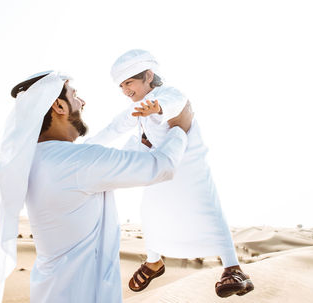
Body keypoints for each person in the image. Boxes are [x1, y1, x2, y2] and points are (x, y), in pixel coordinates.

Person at [0, 70, 194, 303]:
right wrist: (179, 127)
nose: (82, 102)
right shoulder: (74, 161)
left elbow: (102, 170)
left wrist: (144, 142)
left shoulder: (40, 160)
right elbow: (163, 166)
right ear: (59, 106)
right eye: (74, 95)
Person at [85, 49, 254, 298]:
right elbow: (114, 128)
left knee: (209, 211)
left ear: (148, 76)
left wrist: (158, 108)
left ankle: (233, 269)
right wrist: (82, 149)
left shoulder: (166, 95)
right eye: (121, 86)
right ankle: (154, 262)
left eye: (129, 83)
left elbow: (175, 103)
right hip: (163, 168)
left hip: (190, 167)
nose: (125, 90)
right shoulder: (140, 107)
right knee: (150, 211)